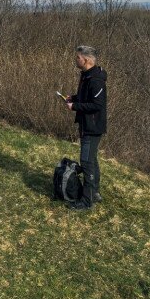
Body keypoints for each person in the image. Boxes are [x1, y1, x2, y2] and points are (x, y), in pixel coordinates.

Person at [66, 45, 107, 211]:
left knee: (87, 161)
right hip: (86, 125)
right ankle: (94, 192)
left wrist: (75, 106)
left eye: (78, 58)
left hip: (92, 127)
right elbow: (85, 97)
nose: (76, 60)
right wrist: (73, 98)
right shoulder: (86, 76)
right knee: (91, 159)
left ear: (87, 60)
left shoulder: (96, 80)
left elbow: (97, 105)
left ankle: (86, 201)